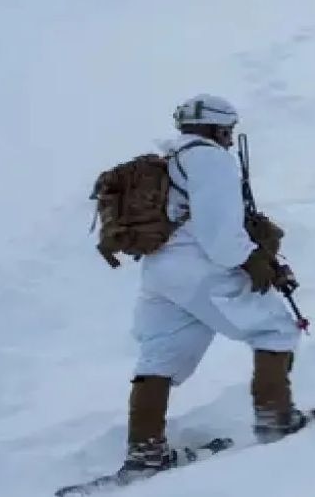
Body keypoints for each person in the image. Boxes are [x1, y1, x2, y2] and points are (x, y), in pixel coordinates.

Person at [121, 95, 304, 478]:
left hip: (160, 272)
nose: (229, 138)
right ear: (219, 128)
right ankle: (276, 420)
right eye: (229, 131)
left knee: (160, 353)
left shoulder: (169, 160)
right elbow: (219, 236)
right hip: (200, 267)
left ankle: (145, 452)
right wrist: (251, 260)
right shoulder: (210, 159)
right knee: (276, 328)